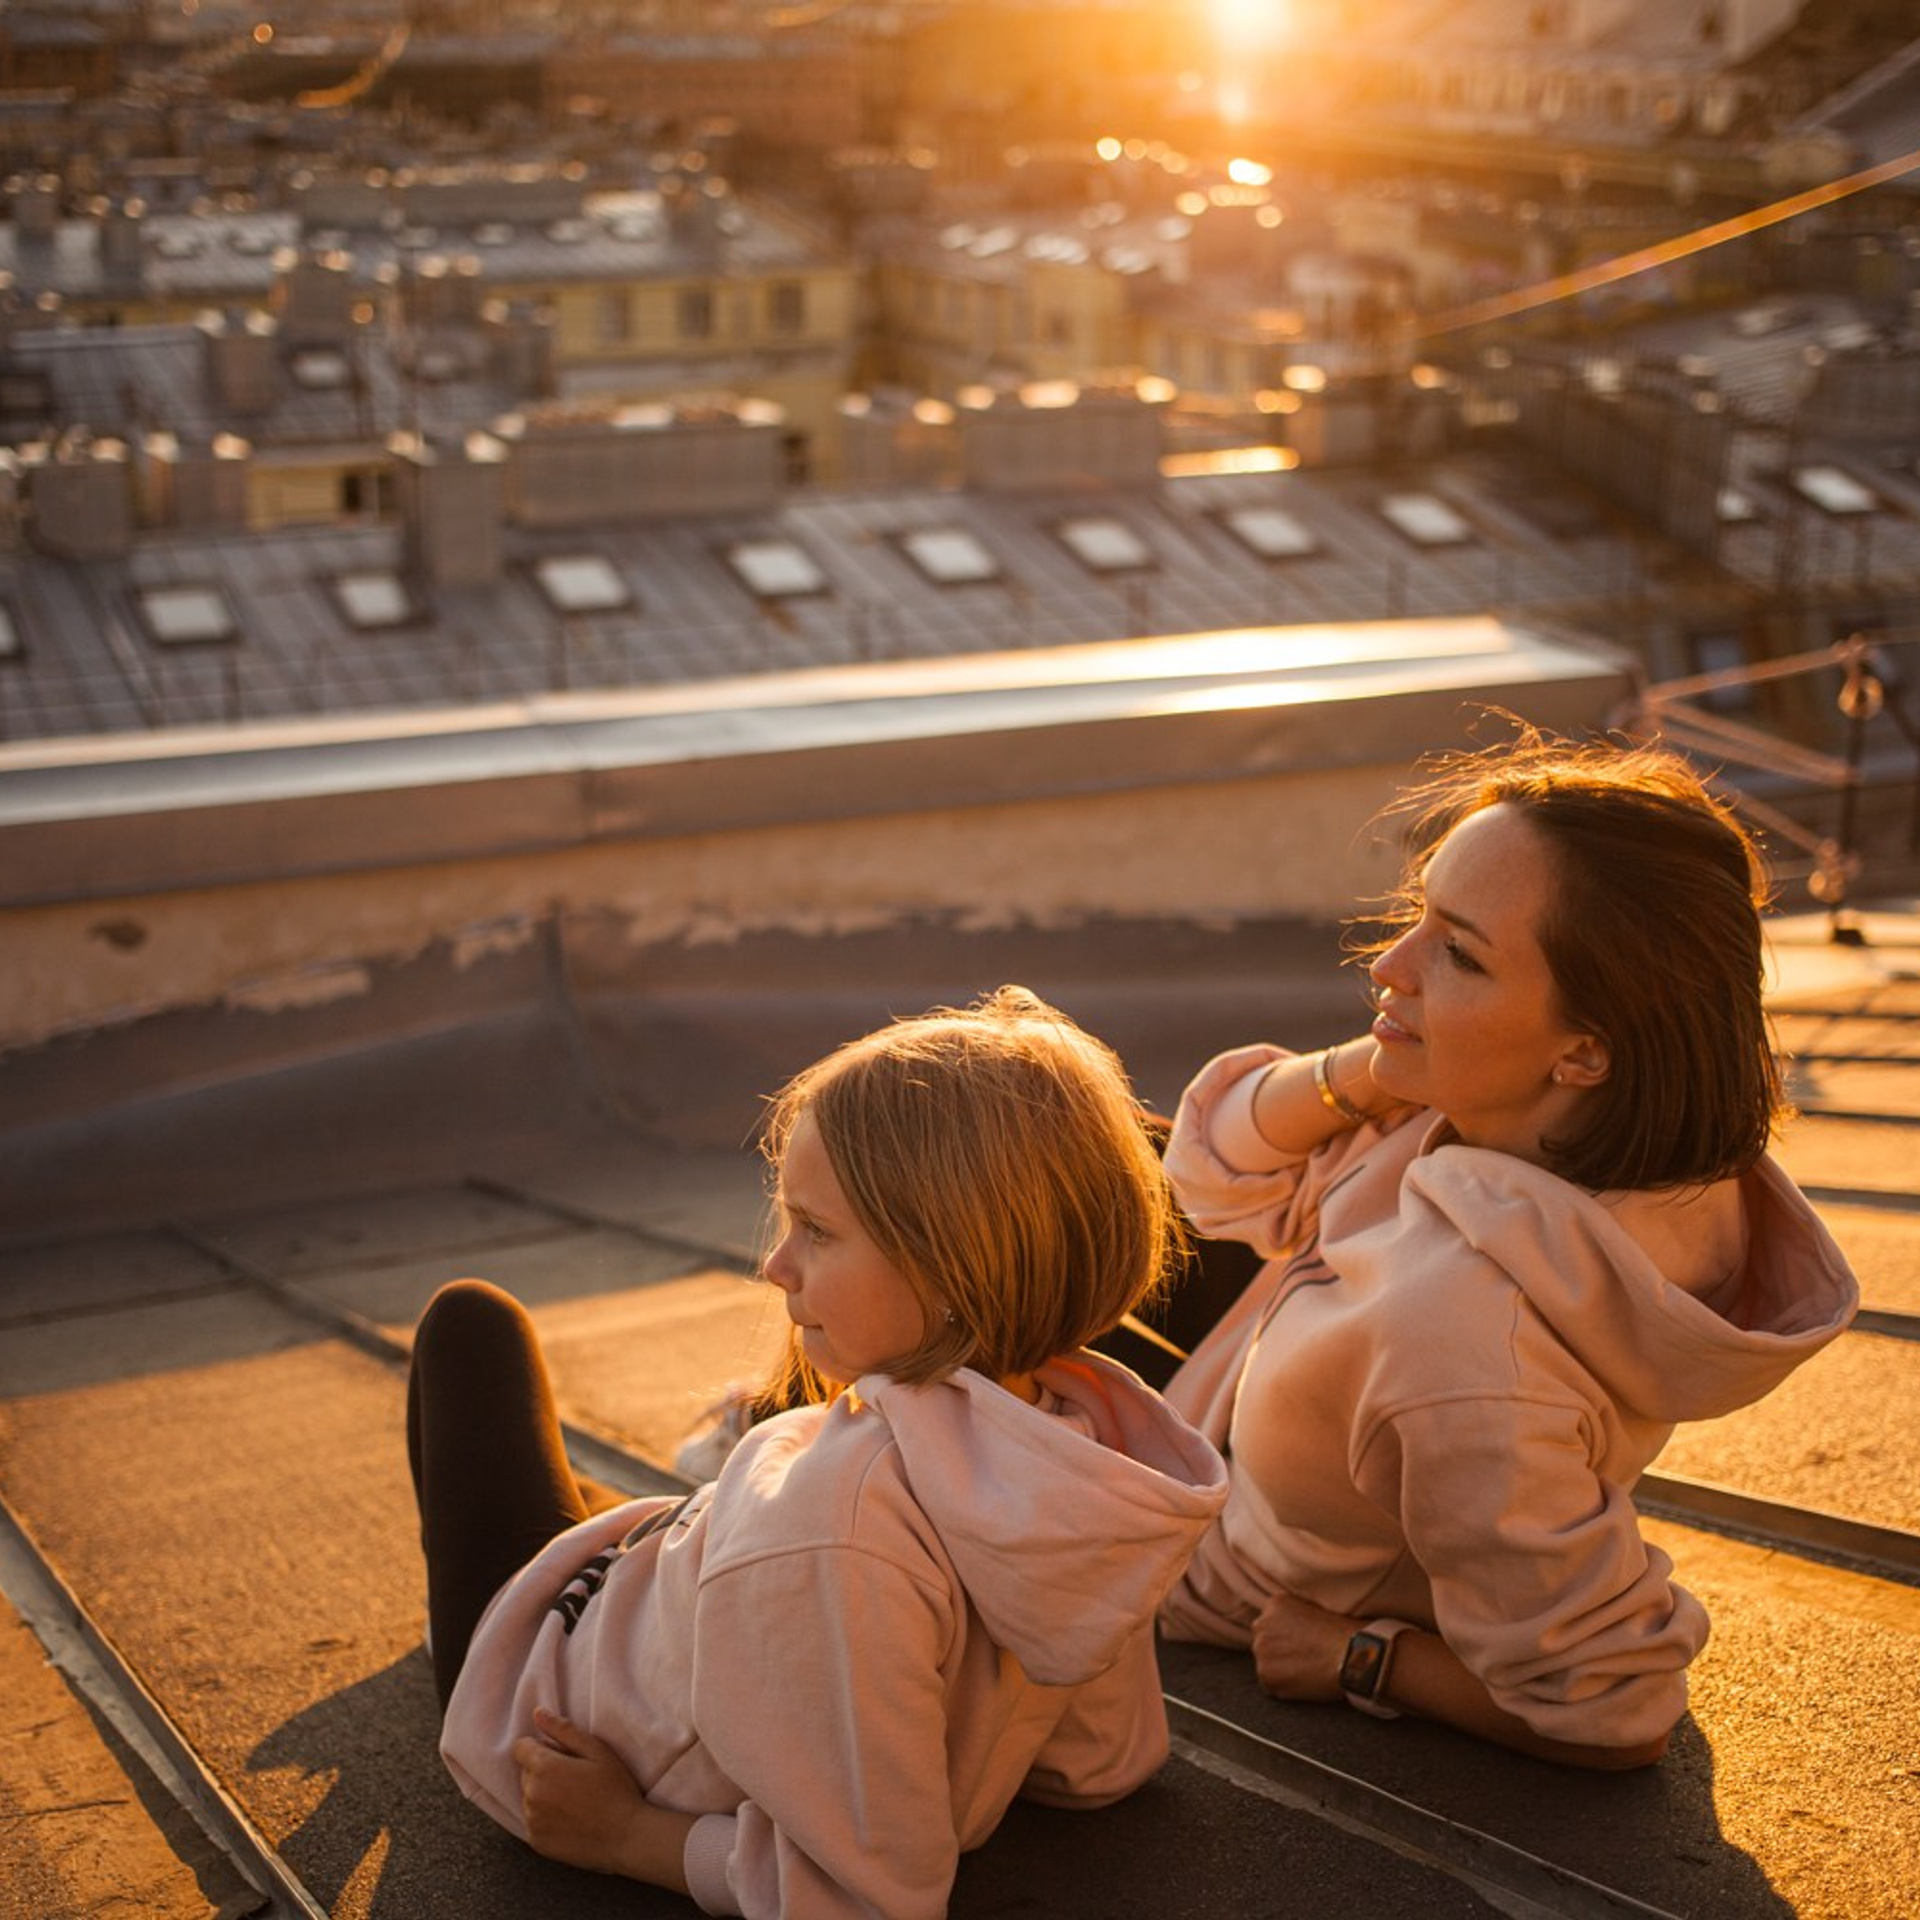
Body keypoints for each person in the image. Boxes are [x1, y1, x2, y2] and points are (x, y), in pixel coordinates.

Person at [406, 985, 1228, 1918]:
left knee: (469, 1325)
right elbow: (1100, 1768)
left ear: (952, 1268)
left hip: (540, 1671)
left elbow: (866, 1899)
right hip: (662, 1573)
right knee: (649, 1501)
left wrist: (628, 1838)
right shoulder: (1086, 1457)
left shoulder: (828, 1529)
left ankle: (476, 1601)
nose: (775, 1265)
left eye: (818, 1232)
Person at [1131, 727, 1859, 1770]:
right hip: (1241, 1381)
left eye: (1458, 952)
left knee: (891, 1335)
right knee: (1041, 1147)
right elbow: (1210, 1172)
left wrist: (1360, 1659)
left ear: (1587, 1050)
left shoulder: (1473, 1348)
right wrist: (1383, 1065)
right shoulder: (1517, 1120)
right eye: (1416, 916)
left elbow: (1616, 1709)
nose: (1389, 965)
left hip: (1194, 1544)